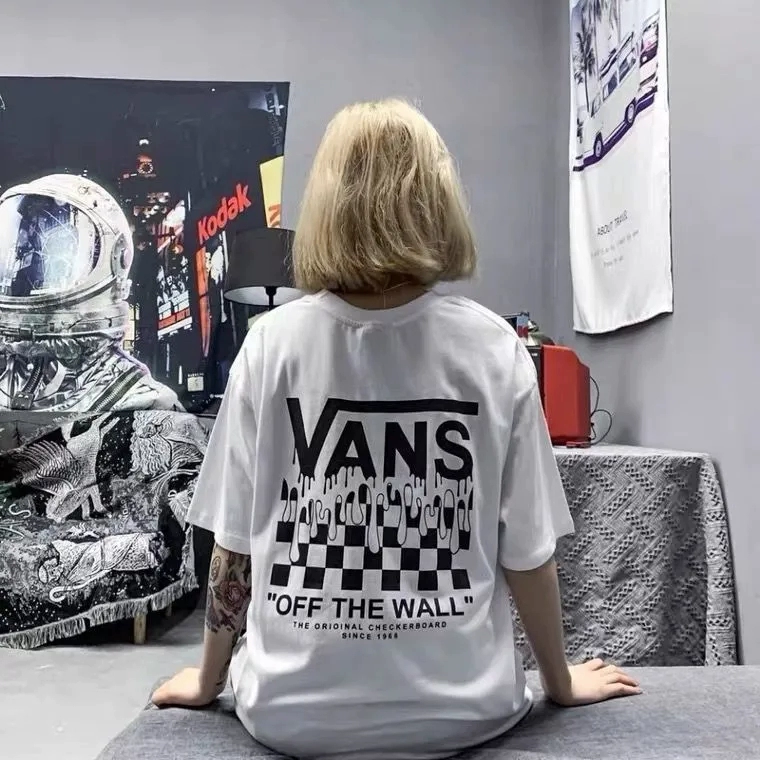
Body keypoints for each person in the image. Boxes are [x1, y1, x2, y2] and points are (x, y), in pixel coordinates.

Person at [152, 99, 640, 759]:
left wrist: (208, 680)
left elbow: (233, 548)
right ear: (436, 200)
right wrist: (559, 684)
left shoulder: (270, 346)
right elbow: (528, 553)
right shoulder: (493, 349)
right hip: (467, 711)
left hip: (290, 717)